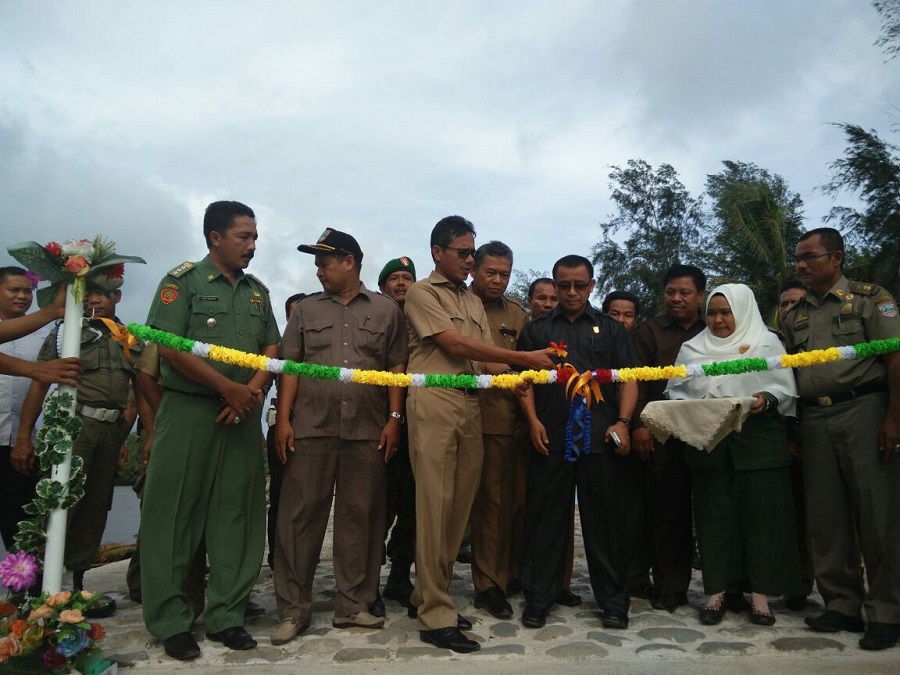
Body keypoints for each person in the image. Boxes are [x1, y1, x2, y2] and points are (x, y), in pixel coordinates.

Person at [404, 215, 555, 654]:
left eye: (473, 252)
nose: (470, 260)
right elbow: (455, 345)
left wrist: (518, 375)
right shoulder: (422, 293)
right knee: (435, 507)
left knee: (457, 512)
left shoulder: (470, 300)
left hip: (472, 404)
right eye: (463, 253)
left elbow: (486, 360)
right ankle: (435, 617)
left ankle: (429, 596)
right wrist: (524, 357)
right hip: (436, 402)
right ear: (438, 252)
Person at [140, 200, 280, 661]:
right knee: (173, 514)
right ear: (215, 238)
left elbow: (271, 348)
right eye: (244, 236)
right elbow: (168, 346)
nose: (252, 245)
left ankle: (227, 615)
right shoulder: (181, 283)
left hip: (242, 416)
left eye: (255, 237)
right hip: (189, 410)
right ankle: (172, 621)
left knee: (237, 515)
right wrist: (227, 388)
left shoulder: (258, 292)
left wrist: (251, 391)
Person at [271, 229, 408, 645]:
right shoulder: (306, 310)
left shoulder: (386, 311)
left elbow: (396, 367)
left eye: (325, 263)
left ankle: (353, 605)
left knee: (362, 518)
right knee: (298, 519)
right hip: (311, 429)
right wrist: (284, 420)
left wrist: (394, 418)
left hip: (367, 430)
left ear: (350, 262)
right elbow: (291, 366)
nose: (319, 271)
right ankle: (293, 611)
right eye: (316, 264)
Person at [783, 227, 900, 651]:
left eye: (809, 256)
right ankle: (842, 603)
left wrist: (894, 417)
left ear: (836, 258)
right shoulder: (794, 315)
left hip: (864, 410)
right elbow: (790, 372)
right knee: (825, 517)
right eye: (798, 258)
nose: (801, 265)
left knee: (878, 513)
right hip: (815, 417)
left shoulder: (870, 299)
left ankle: (886, 611)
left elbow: (894, 357)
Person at [665, 283, 803, 626]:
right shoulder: (693, 348)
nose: (718, 320)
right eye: (712, 313)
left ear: (742, 311)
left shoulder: (766, 342)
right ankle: (716, 592)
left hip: (759, 445)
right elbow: (677, 390)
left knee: (762, 521)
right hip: (711, 445)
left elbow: (784, 388)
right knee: (714, 521)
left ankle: (761, 598)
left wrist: (765, 399)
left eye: (726, 313)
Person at [517, 255, 638, 630]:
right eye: (564, 285)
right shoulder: (537, 329)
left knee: (605, 524)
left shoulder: (611, 329)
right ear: (554, 285)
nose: (571, 292)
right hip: (550, 437)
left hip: (599, 439)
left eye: (579, 285)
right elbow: (523, 381)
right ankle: (539, 598)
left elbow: (629, 378)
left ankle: (613, 602)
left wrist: (623, 423)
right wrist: (532, 421)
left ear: (592, 285)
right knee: (546, 522)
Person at [14, 270, 140, 617]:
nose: (94, 300)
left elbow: (136, 393)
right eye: (90, 293)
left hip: (111, 431)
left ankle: (74, 586)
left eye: (103, 294)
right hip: (75, 427)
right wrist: (24, 436)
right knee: (58, 503)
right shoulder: (65, 332)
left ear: (117, 298)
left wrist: (125, 437)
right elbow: (40, 383)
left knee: (96, 507)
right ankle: (39, 590)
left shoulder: (129, 338)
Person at [631, 264, 707, 612]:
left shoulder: (713, 329)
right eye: (670, 292)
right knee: (666, 512)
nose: (676, 298)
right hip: (662, 432)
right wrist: (640, 424)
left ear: (700, 296)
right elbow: (635, 380)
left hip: (706, 430)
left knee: (710, 510)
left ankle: (724, 589)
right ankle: (670, 587)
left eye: (684, 292)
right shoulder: (650, 331)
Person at [468, 241, 528, 620]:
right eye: (490, 272)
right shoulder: (455, 304)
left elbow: (525, 369)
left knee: (498, 503)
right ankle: (434, 583)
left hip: (499, 420)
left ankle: (493, 582)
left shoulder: (517, 314)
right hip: (456, 414)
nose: (497, 280)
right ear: (474, 269)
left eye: (504, 274)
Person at [0, 267, 56, 550]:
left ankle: (23, 579)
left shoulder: (47, 336)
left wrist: (25, 437)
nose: (22, 296)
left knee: (20, 529)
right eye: (14, 290)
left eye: (27, 291)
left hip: (21, 446)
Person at [601, 290, 652, 599]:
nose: (621, 320)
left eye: (628, 315)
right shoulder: (598, 343)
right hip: (607, 433)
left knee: (637, 510)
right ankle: (612, 576)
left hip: (642, 433)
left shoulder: (642, 345)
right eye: (614, 314)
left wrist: (638, 424)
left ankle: (636, 575)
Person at [377, 256, 417, 609]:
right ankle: (365, 579)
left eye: (407, 277)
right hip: (379, 423)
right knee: (378, 502)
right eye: (394, 278)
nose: (402, 283)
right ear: (382, 286)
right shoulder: (373, 318)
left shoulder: (425, 319)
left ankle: (400, 575)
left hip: (418, 425)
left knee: (414, 504)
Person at [776, 280, 815, 611]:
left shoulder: (820, 339)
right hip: (784, 436)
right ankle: (797, 584)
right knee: (792, 514)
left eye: (796, 303)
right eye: (784, 304)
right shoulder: (769, 343)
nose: (788, 310)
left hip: (822, 425)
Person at [265, 292, 305, 571]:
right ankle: (276, 555)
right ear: (288, 317)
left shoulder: (322, 349)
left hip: (314, 427)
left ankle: (302, 555)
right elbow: (264, 384)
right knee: (279, 495)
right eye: (295, 313)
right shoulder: (277, 349)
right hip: (282, 425)